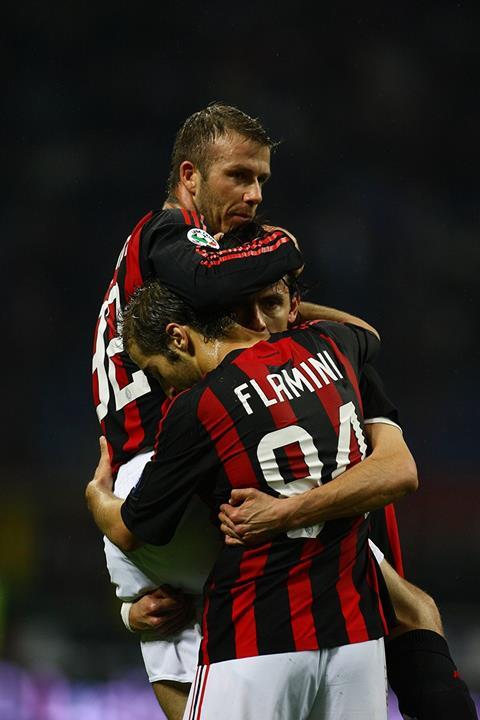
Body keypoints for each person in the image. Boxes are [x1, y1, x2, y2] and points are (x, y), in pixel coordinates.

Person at [92, 103, 477, 719]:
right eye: (238, 177)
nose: (254, 193)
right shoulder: (168, 239)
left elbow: (355, 335)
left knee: (173, 641)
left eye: (263, 180)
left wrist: (314, 322)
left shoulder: (174, 290)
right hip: (180, 479)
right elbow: (232, 288)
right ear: (189, 178)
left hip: (153, 487)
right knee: (408, 608)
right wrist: (285, 250)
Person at [87, 276, 420, 720]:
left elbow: (132, 530)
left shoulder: (198, 407)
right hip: (354, 636)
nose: (164, 388)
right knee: (420, 610)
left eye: (155, 371)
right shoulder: (329, 346)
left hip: (256, 636)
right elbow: (367, 335)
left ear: (178, 337)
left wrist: (97, 497)